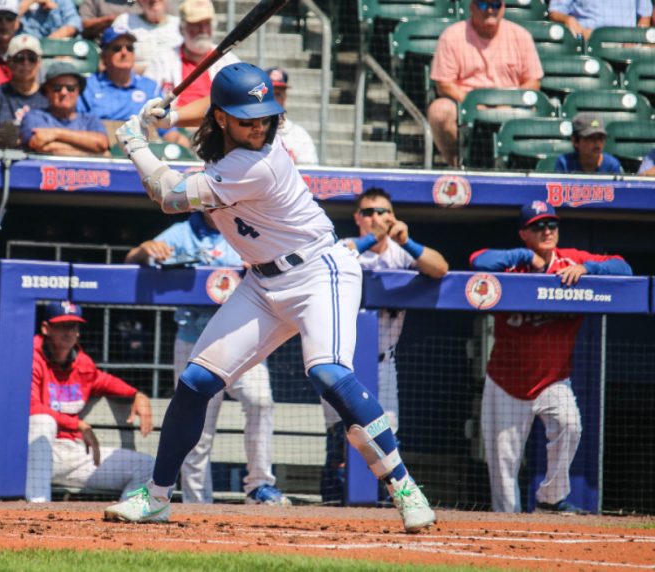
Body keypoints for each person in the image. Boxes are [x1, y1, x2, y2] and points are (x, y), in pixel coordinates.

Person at [105, 63, 436, 532]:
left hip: (320, 271)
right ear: (222, 118)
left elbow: (169, 194)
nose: (259, 125)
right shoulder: (225, 134)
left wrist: (137, 141)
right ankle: (156, 496)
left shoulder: (257, 161)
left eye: (265, 116)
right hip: (262, 283)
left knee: (326, 371)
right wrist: (172, 114)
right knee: (196, 381)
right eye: (247, 117)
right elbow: (209, 110)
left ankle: (404, 488)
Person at [469, 201, 632, 514]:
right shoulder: (512, 265)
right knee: (503, 463)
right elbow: (478, 261)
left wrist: (588, 269)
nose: (546, 231)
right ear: (524, 234)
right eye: (537, 226)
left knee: (570, 426)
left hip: (552, 380)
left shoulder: (572, 260)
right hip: (506, 380)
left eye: (551, 225)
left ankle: (550, 499)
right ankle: (506, 527)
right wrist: (524, 257)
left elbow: (623, 267)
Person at [125, 213, 288, 505]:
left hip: (241, 334)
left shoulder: (245, 224)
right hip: (194, 339)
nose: (215, 203)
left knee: (260, 401)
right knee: (196, 428)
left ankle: (259, 486)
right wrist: (146, 248)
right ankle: (197, 503)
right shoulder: (182, 232)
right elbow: (131, 261)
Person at [321, 187, 448, 503]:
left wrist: (407, 241)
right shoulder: (347, 246)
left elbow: (440, 268)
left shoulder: (400, 251)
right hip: (341, 363)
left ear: (393, 216)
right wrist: (373, 236)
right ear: (357, 218)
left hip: (383, 363)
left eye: (382, 212)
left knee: (386, 439)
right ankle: (331, 511)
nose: (375, 218)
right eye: (368, 213)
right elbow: (338, 256)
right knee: (342, 441)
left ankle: (379, 509)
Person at [26, 301, 155, 502]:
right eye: (61, 326)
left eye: (73, 326)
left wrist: (137, 395)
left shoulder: (82, 363)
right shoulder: (30, 359)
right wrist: (76, 424)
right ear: (46, 328)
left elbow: (104, 381)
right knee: (43, 420)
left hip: (70, 454)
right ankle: (37, 510)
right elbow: (31, 406)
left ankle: (126, 521)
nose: (68, 332)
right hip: (34, 453)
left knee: (148, 467)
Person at [427, 0, 543, 167]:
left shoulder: (521, 35)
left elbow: (533, 81)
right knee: (439, 111)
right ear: (471, 7)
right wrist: (475, 103)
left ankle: (525, 170)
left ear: (503, 8)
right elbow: (444, 84)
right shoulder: (452, 35)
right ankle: (458, 166)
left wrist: (509, 103)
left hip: (511, 105)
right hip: (465, 104)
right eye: (483, 5)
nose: (490, 10)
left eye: (496, 5)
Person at [78, 24, 190, 148]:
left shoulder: (150, 87)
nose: (124, 52)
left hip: (145, 151)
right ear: (104, 56)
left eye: (129, 48)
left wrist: (182, 146)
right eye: (117, 48)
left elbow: (166, 131)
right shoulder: (88, 86)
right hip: (101, 151)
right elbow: (77, 125)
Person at [149, 0, 237, 107]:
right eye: (196, 24)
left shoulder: (228, 61)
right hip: (171, 122)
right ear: (181, 28)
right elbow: (147, 101)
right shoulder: (161, 60)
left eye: (207, 24)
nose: (203, 30)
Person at [20, 61, 109, 156]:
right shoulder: (34, 117)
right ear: (47, 91)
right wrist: (91, 151)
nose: (64, 92)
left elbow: (102, 143)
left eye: (70, 88)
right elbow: (39, 145)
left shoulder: (90, 119)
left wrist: (56, 133)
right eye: (57, 88)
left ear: (78, 91)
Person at [0, 34, 49, 149]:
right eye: (19, 58)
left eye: (32, 58)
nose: (26, 63)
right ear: (9, 62)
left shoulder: (49, 96)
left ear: (39, 63)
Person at [113, 0, 182, 79]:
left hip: (176, 85)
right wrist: (149, 70)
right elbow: (109, 62)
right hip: (136, 85)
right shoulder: (125, 22)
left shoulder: (180, 24)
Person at [267, 67, 319, 166]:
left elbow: (310, 173)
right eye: (270, 94)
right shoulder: (252, 132)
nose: (274, 100)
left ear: (285, 97)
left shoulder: (299, 135)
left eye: (278, 94)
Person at [548, 0, 652, 41]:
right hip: (588, 41)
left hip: (625, 44)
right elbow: (555, 11)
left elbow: (645, 16)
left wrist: (638, 40)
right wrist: (570, 21)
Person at [554, 113, 622, 175]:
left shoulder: (611, 165)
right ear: (575, 141)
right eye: (591, 138)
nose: (597, 143)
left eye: (601, 138)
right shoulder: (565, 163)